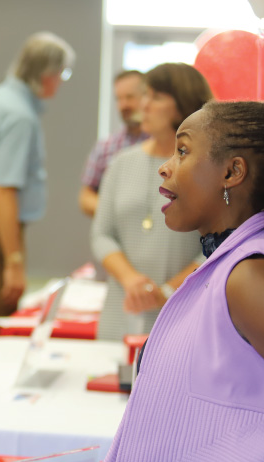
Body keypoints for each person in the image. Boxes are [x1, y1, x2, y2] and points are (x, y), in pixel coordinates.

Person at [101, 100, 264, 462]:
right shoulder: (228, 266)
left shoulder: (253, 274)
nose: (165, 164)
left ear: (232, 171)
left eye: (183, 151)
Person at [0, 32, 75, 354]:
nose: (61, 83)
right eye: (62, 75)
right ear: (47, 75)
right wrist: (14, 260)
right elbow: (4, 192)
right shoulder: (19, 116)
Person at [91, 63, 212, 341]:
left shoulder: (205, 168)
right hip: (122, 310)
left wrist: (168, 291)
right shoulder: (121, 163)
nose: (143, 105)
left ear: (183, 105)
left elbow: (216, 245)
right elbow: (101, 234)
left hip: (183, 311)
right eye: (144, 95)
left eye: (156, 97)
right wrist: (131, 280)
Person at [79, 70, 148, 217]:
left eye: (130, 97)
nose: (123, 105)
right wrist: (117, 214)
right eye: (118, 99)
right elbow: (86, 196)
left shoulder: (164, 142)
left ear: (147, 97)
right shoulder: (105, 146)